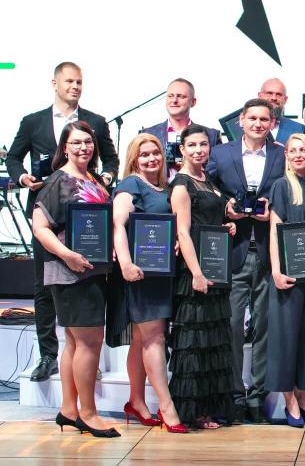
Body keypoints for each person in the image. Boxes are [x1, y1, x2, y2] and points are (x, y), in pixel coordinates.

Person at [7, 62, 118, 382]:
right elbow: (13, 157)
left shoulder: (95, 121)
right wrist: (22, 177)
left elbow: (111, 159)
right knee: (44, 284)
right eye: (69, 81)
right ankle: (48, 355)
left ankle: (85, 354)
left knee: (88, 280)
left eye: (79, 82)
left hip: (88, 215)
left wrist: (106, 177)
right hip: (47, 208)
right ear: (54, 83)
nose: (75, 86)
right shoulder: (33, 121)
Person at [32, 121, 117, 437]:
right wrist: (68, 255)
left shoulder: (93, 178)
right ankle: (89, 414)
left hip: (93, 270)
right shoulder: (58, 180)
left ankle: (69, 410)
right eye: (77, 142)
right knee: (89, 342)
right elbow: (39, 227)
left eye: (88, 142)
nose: (84, 147)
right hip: (71, 273)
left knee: (75, 342)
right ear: (64, 148)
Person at [206, 99, 286, 423]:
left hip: (269, 252)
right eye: (252, 118)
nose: (257, 124)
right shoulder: (220, 154)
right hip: (233, 250)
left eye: (264, 119)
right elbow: (207, 190)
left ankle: (257, 398)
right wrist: (225, 207)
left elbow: (292, 191)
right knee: (232, 328)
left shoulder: (281, 154)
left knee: (264, 328)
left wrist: (274, 207)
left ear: (272, 123)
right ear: (240, 120)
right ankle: (235, 396)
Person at [111, 134, 187, 433]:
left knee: (143, 339)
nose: (151, 158)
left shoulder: (165, 187)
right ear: (134, 158)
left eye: (155, 152)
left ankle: (136, 401)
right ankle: (167, 407)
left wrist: (176, 241)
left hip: (162, 273)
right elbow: (118, 225)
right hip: (140, 274)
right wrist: (126, 264)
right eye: (144, 154)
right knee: (154, 338)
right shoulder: (131, 185)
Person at [168, 124, 236, 429]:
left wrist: (227, 227)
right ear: (182, 149)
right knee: (194, 341)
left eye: (203, 145)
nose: (199, 150)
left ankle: (206, 409)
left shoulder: (207, 180)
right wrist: (195, 272)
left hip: (214, 268)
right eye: (192, 145)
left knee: (211, 341)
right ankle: (192, 411)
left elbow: (207, 222)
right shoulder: (182, 185)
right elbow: (182, 232)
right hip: (195, 272)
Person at [266, 133, 305, 428]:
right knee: (286, 339)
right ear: (286, 155)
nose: (298, 154)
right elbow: (274, 230)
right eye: (293, 150)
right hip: (287, 276)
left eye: (303, 150)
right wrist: (276, 271)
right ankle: (289, 400)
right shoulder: (281, 186)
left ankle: (303, 399)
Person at [142, 78, 222, 181]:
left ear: (193, 102)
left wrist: (194, 167)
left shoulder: (212, 136)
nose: (174, 100)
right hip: (158, 189)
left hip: (199, 189)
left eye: (181, 96)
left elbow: (219, 174)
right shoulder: (148, 134)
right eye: (170, 96)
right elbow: (137, 171)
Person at [221, 78, 305, 145]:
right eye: (269, 93)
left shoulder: (298, 129)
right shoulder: (235, 123)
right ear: (259, 96)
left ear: (285, 99)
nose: (274, 98)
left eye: (279, 94)